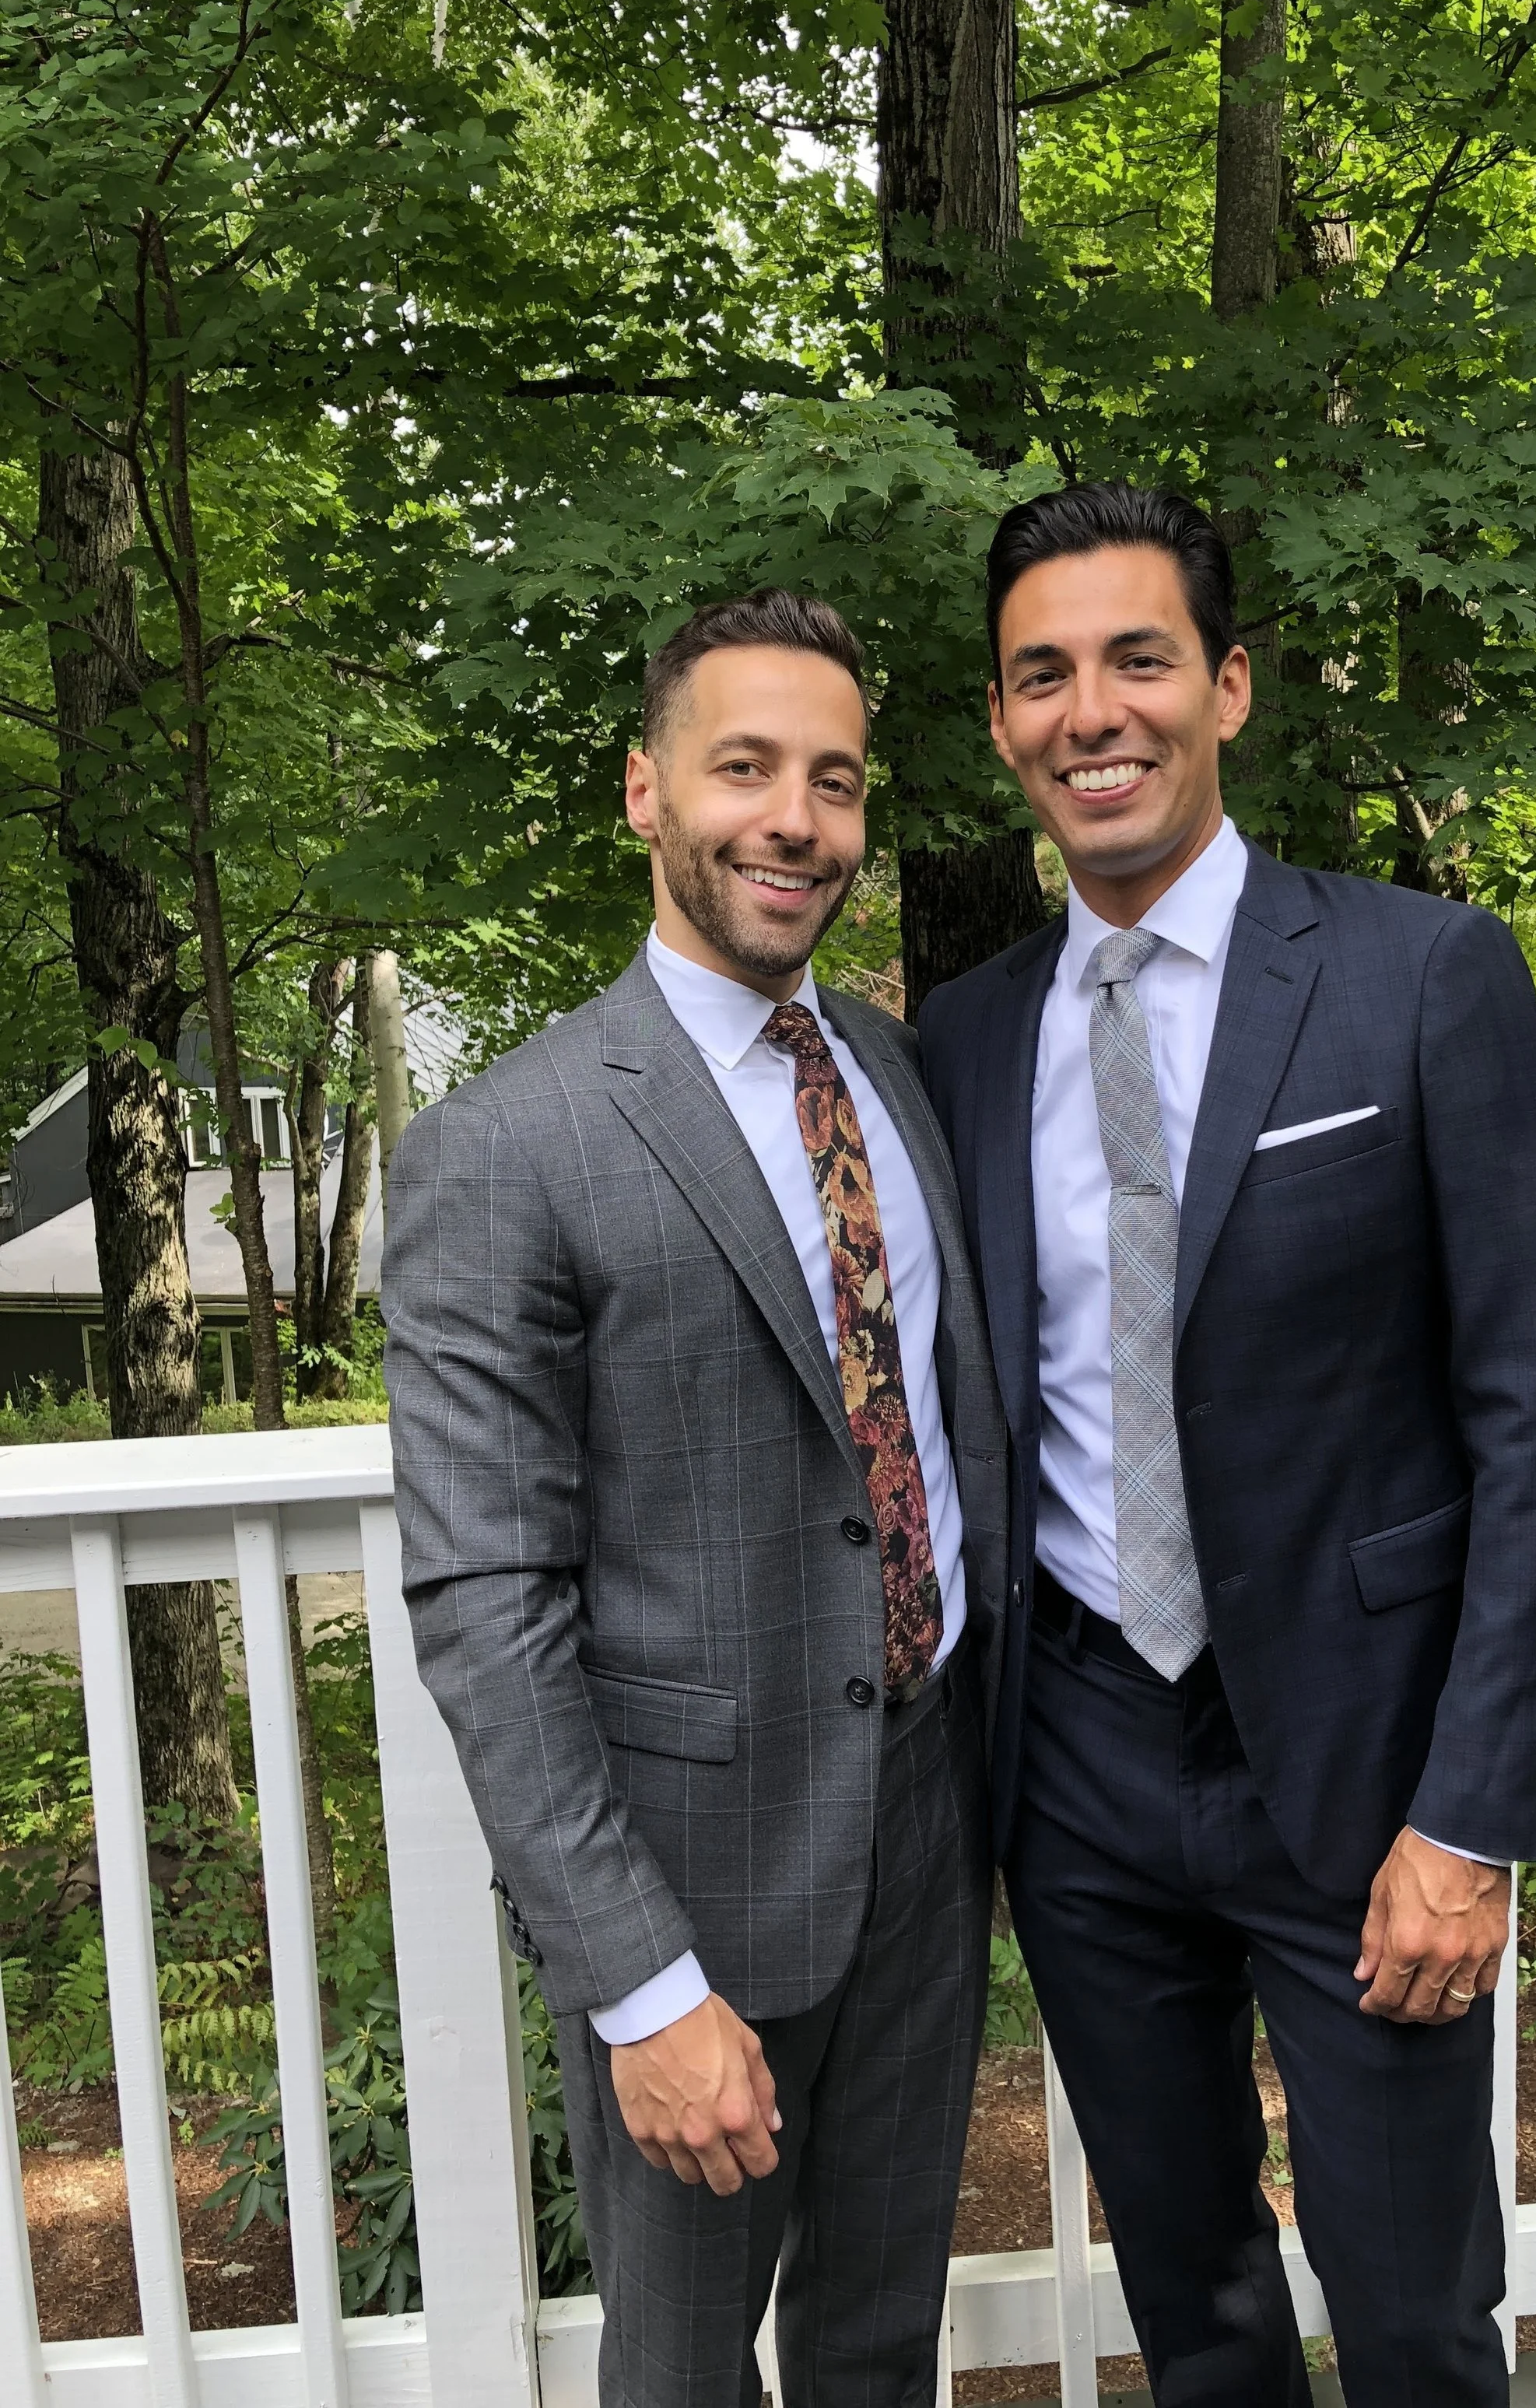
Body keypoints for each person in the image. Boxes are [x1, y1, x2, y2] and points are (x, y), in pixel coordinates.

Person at [917, 483, 1536, 2406]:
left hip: (1368, 1768)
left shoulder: (1417, 975)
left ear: (1224, 686)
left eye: (1137, 658)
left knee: (1408, 2315)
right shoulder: (962, 1041)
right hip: (1077, 1764)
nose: (1092, 712)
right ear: (998, 722)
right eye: (1040, 675)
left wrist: (1470, 1818)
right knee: (1196, 2307)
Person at [384, 589, 1005, 2408]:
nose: (793, 819)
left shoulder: (888, 1069)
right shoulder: (508, 1148)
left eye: (832, 778)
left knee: (881, 2338)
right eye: (743, 767)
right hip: (688, 1873)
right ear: (644, 790)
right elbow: (486, 1608)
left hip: (922, 1808)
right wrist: (640, 1987)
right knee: (677, 2370)